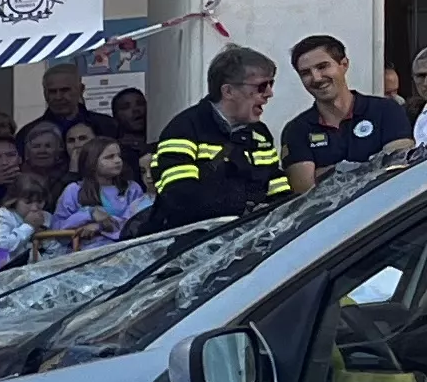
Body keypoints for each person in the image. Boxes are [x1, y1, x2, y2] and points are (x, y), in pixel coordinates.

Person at [143, 44, 279, 236]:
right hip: (194, 246)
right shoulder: (183, 129)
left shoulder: (260, 134)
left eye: (271, 84)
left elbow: (275, 182)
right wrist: (243, 210)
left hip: (250, 241)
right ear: (228, 91)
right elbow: (179, 196)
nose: (269, 94)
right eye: (261, 86)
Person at [281, 33, 412, 191]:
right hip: (332, 215)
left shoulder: (386, 110)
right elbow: (305, 192)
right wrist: (372, 165)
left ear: (344, 64)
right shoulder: (296, 130)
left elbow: (398, 170)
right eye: (305, 73)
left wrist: (327, 173)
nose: (316, 78)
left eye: (323, 67)